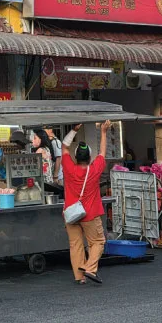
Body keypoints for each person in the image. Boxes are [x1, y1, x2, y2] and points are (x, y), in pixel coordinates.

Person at [62, 121, 109, 285]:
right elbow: (102, 153)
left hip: (71, 213)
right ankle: (90, 268)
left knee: (75, 245)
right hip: (90, 213)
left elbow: (64, 147)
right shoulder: (94, 169)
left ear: (75, 157)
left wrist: (74, 130)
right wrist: (103, 132)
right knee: (98, 242)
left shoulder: (68, 167)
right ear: (89, 157)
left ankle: (79, 276)